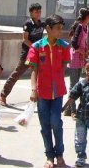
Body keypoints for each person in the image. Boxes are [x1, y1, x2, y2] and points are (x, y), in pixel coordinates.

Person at [28, 15, 72, 168]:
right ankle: (49, 156)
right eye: (58, 28)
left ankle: (59, 153)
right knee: (45, 124)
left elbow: (63, 67)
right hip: (42, 92)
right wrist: (34, 89)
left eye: (62, 28)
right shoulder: (36, 47)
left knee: (56, 122)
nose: (61, 31)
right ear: (48, 29)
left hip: (58, 91)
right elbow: (34, 70)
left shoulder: (64, 47)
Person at [0, 3, 44, 106]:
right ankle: (3, 95)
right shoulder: (28, 24)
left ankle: (39, 98)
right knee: (16, 74)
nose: (38, 14)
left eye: (40, 11)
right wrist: (34, 47)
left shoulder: (41, 24)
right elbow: (25, 39)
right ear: (31, 13)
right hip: (27, 54)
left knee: (39, 76)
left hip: (38, 55)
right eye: (36, 12)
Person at [64, 8, 89, 116]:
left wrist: (86, 51)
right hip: (75, 56)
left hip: (81, 57)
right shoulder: (80, 26)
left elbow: (85, 41)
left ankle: (68, 109)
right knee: (74, 84)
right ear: (86, 16)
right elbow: (74, 43)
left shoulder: (86, 27)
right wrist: (82, 52)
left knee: (78, 83)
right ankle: (73, 110)